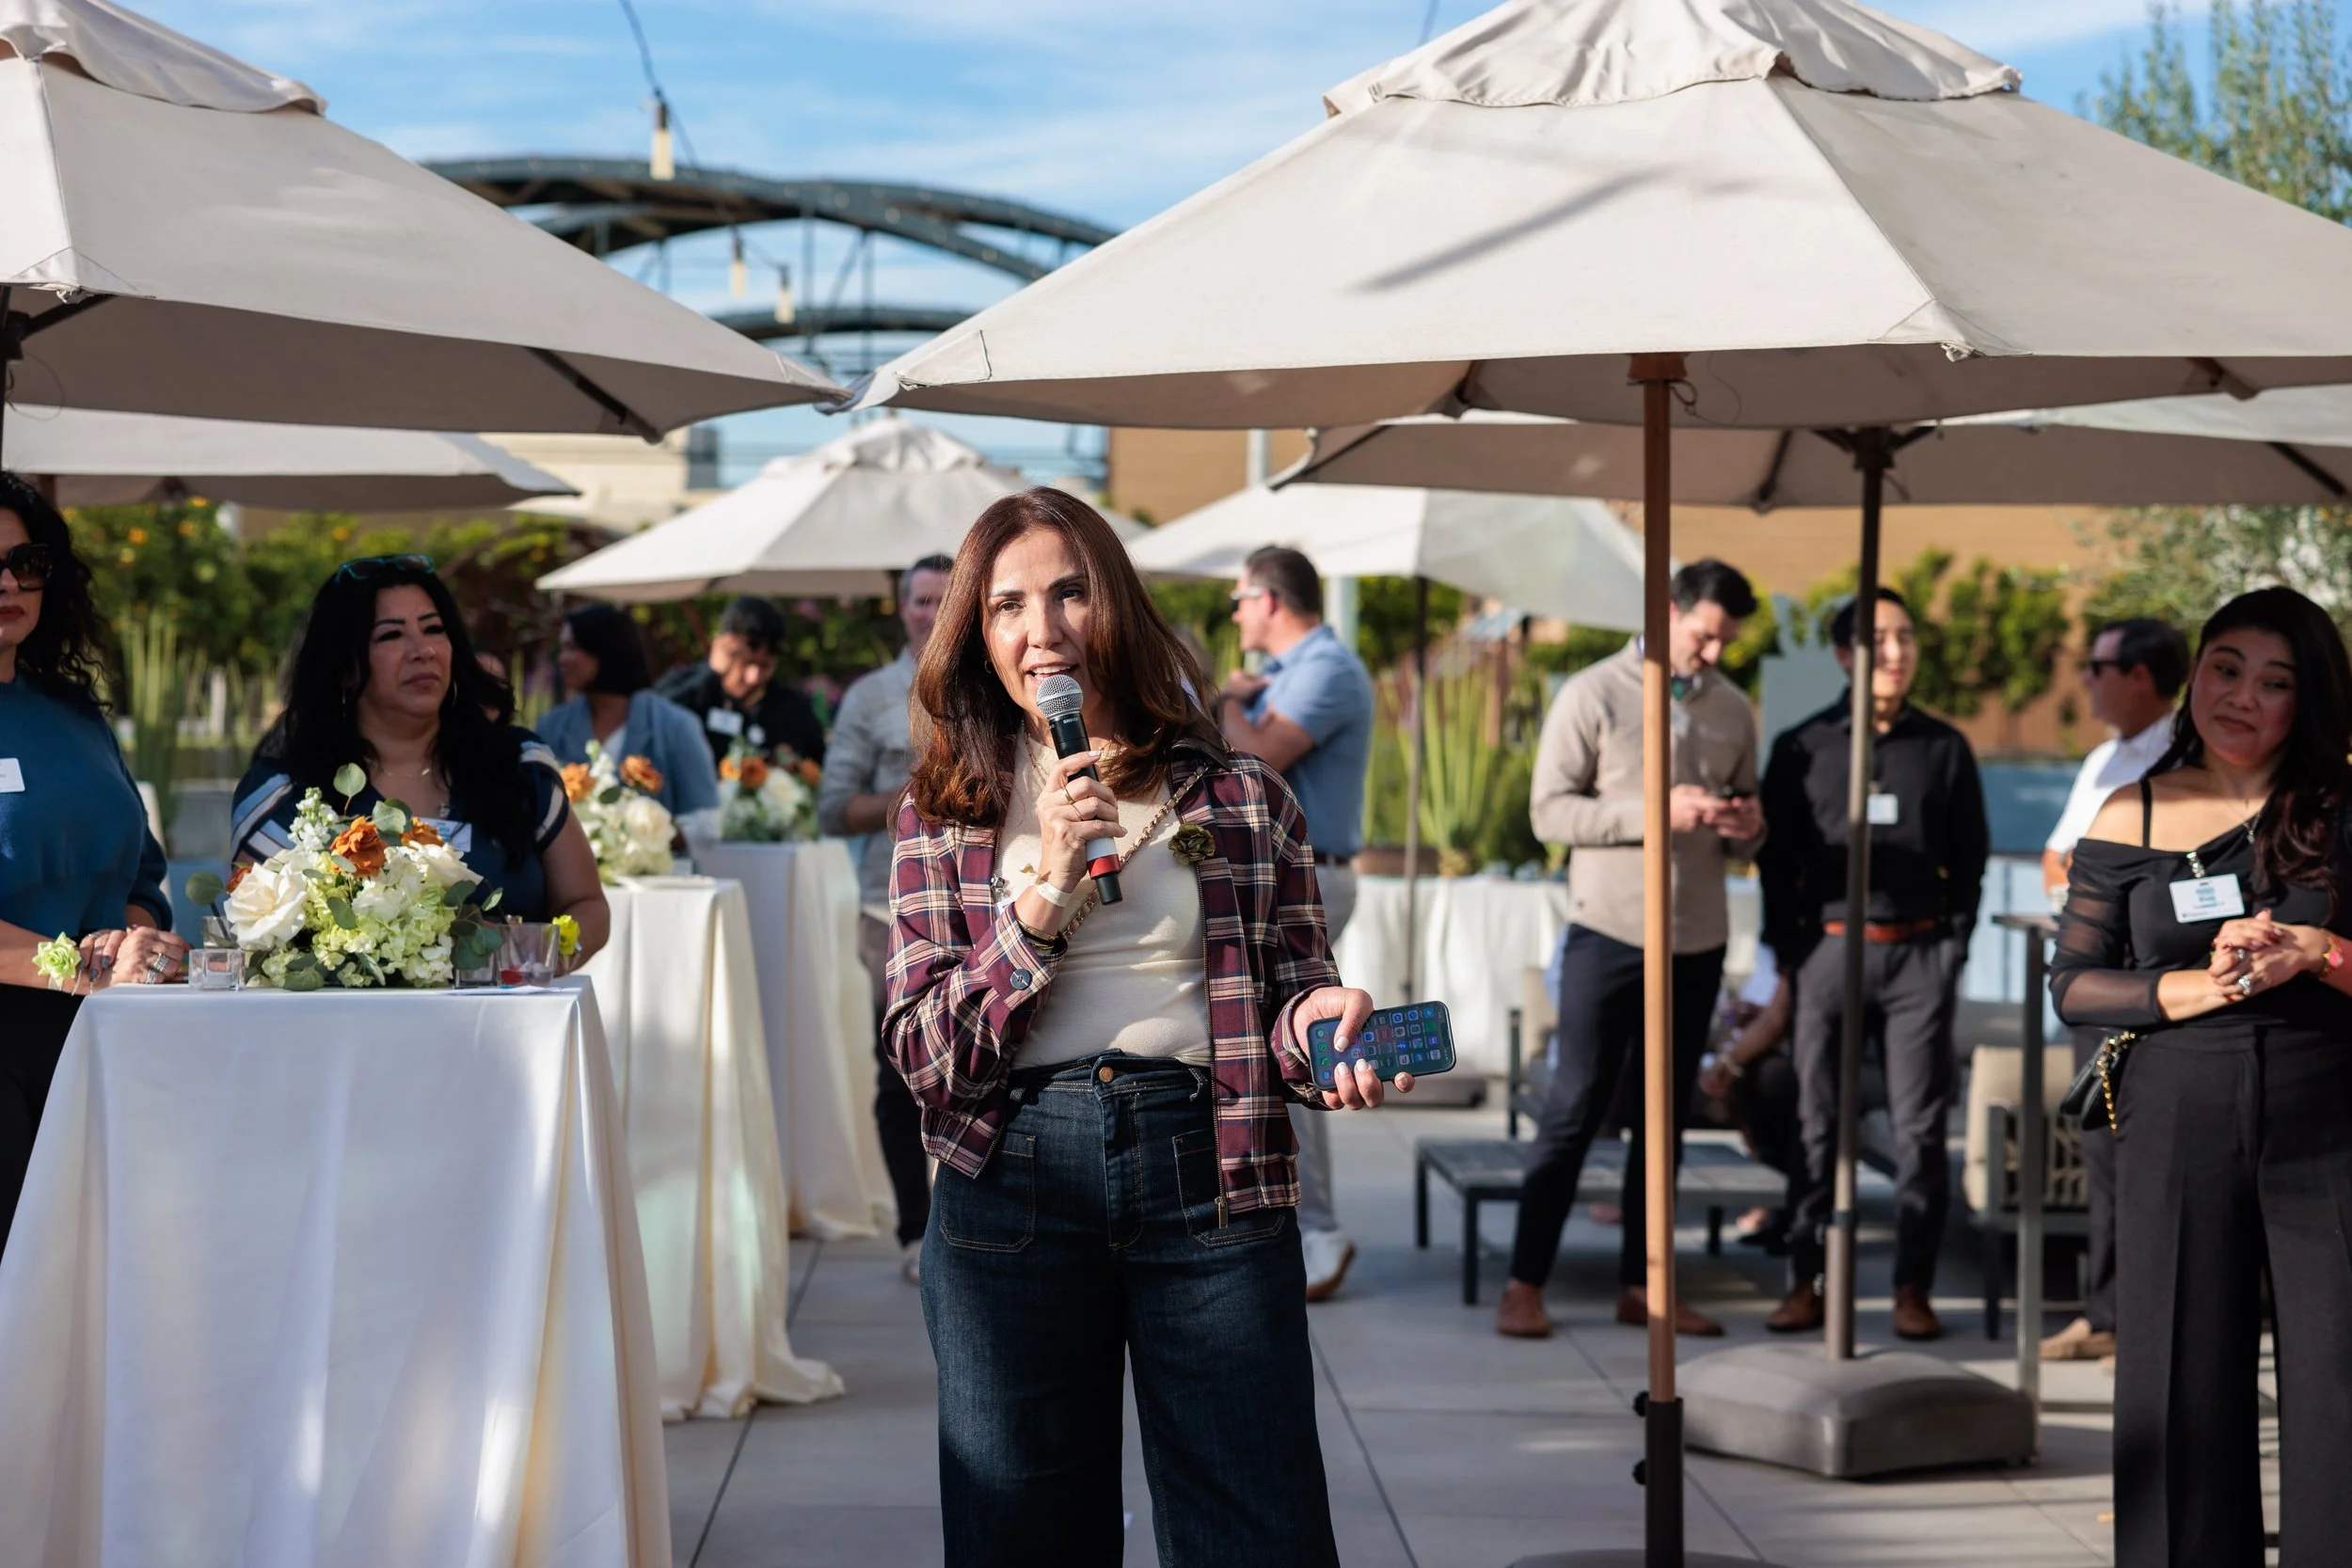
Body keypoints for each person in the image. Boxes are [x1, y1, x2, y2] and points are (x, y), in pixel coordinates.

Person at [883, 488, 1405, 1568]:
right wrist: (1043, 899)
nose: (1045, 631)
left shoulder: (1238, 795)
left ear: (1114, 600)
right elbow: (927, 1057)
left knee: (1253, 1524)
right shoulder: (944, 815)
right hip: (1009, 1177)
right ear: (976, 638)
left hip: (1208, 1171)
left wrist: (1322, 1022)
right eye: (1009, 606)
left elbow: (1291, 989)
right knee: (1020, 1532)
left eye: (1071, 591)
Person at [2050, 586, 2352, 1568]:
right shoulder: (2129, 804)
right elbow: (2075, 984)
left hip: (2330, 1112)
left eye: (2275, 681)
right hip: (2178, 1102)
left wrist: (2317, 950)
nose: (2241, 697)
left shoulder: (2339, 806)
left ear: (2306, 702)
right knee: (2181, 1384)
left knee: (2338, 1380)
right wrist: (2192, 982)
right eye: (2225, 667)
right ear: (2194, 674)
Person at [1497, 559, 1764, 1339]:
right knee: (1574, 1103)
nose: (1713, 652)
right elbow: (1548, 813)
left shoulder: (1734, 708)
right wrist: (1654, 810)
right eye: (1705, 634)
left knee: (1666, 1115)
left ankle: (1645, 1285)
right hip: (1608, 929)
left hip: (1698, 936)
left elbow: (1753, 815)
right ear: (1668, 611)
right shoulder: (1592, 692)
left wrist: (1750, 827)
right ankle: (1524, 1282)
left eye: (1726, 641)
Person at [1759, 587, 1988, 1339]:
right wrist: (1793, 954)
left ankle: (1912, 1288)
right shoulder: (1804, 745)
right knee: (1815, 1120)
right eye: (1878, 638)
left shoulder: (1944, 747)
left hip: (1919, 954)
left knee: (1921, 1130)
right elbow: (1775, 861)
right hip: (1827, 952)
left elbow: (1971, 860)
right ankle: (1805, 1277)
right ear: (1843, 653)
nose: (1895, 652)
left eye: (1906, 637)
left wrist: (1950, 949)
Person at [230, 556, 609, 961]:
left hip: (505, 1023)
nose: (423, 650)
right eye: (391, 636)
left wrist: (529, 954)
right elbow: (254, 938)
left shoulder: (519, 767)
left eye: (433, 629)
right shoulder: (282, 794)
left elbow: (587, 905)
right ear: (344, 667)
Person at [0, 472, 183, 1259]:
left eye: (26, 560)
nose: (9, 581)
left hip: (105, 1040)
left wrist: (129, 941)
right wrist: (78, 966)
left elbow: (139, 874)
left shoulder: (75, 712)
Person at [1216, 544, 1375, 1302]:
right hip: (1290, 877)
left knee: (1293, 1047)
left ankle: (1319, 1230)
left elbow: (1258, 757)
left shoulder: (1326, 670)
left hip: (1313, 878)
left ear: (1270, 599)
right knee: (1279, 1044)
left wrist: (1223, 700)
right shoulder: (1285, 675)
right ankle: (1309, 1225)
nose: (1236, 612)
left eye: (1240, 598)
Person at [2039, 615, 2187, 1367]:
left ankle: (2151, 1321)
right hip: (2095, 978)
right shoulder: (2103, 759)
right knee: (2100, 1147)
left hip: (2158, 984)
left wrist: (2102, 881)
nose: (2085, 680)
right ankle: (2106, 1313)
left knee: (2154, 1156)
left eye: (2095, 667)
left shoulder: (2184, 754)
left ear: (2138, 674)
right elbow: (2054, 861)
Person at [818, 551, 953, 1285]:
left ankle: (971, 1226)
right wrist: (917, 794)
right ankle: (915, 1231)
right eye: (919, 601)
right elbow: (833, 807)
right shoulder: (870, 697)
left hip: (987, 898)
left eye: (943, 599)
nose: (930, 613)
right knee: (899, 1069)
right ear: (901, 608)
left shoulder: (992, 682)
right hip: (887, 903)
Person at [539, 602, 721, 825]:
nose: (562, 659)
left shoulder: (676, 726)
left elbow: (705, 819)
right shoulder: (551, 727)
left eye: (572, 648)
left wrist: (645, 837)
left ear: (604, 649)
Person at [657, 595, 827, 768]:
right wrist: (712, 674)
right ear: (722, 648)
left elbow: (819, 765)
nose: (753, 677)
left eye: (765, 666)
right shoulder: (687, 688)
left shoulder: (794, 708)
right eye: (746, 663)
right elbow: (656, 721)